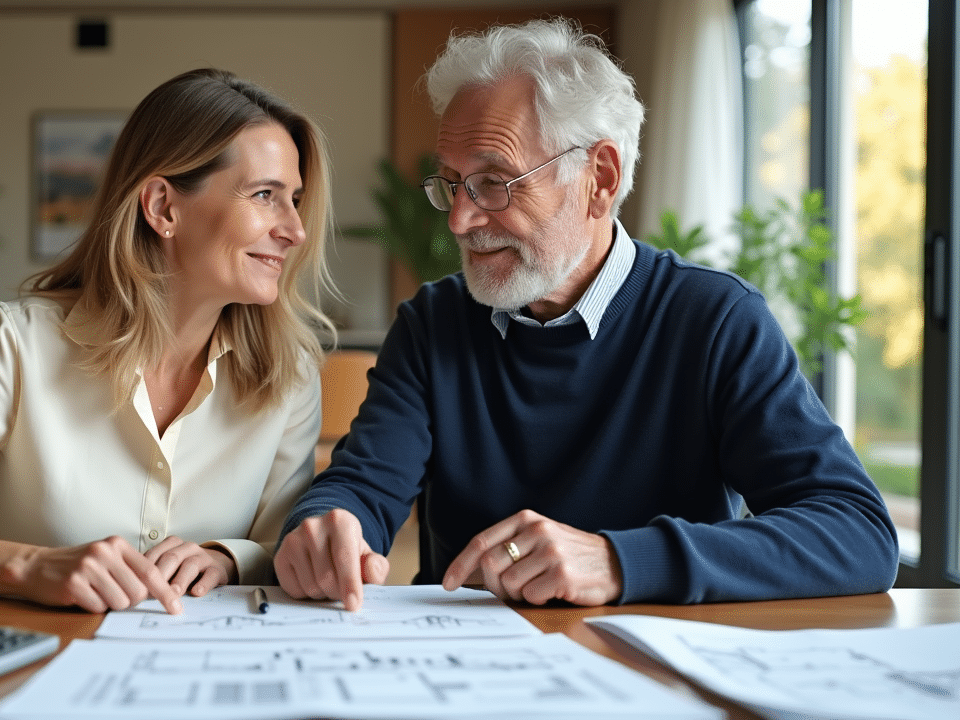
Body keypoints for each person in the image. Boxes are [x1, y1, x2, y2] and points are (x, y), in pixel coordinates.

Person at [274, 19, 898, 611]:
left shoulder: (714, 321)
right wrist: (327, 526)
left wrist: (621, 561)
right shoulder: (433, 323)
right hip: (467, 671)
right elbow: (360, 486)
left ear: (599, 178)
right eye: (452, 185)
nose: (460, 220)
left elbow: (857, 532)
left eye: (494, 183)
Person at [0, 68, 336, 615]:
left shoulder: (289, 373)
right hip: (23, 671)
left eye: (294, 198)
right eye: (266, 195)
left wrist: (230, 558)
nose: (294, 229)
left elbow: (288, 548)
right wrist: (26, 568)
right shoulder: (17, 344)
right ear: (162, 207)